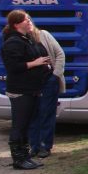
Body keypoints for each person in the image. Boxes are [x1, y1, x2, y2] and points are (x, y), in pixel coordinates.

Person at [1, 10, 52, 170]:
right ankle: (18, 158)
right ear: (16, 24)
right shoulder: (12, 43)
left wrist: (46, 65)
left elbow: (42, 54)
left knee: (28, 123)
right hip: (20, 90)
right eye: (25, 20)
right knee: (19, 124)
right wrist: (34, 63)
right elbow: (13, 67)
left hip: (33, 88)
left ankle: (25, 155)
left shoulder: (29, 39)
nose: (29, 22)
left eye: (30, 19)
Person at [28, 22, 65, 159]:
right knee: (33, 114)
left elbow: (60, 54)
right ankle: (34, 146)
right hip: (31, 83)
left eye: (29, 21)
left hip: (48, 81)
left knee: (46, 113)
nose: (29, 24)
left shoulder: (44, 35)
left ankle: (45, 145)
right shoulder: (21, 40)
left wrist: (55, 75)